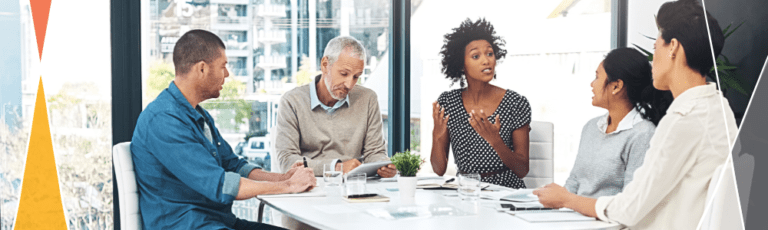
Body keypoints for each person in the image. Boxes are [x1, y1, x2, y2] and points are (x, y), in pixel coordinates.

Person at [533, 1, 738, 229]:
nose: (653, 56)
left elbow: (629, 209)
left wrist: (568, 200)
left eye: (656, 45)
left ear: (673, 47)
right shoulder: (718, 108)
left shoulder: (684, 118)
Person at [131, 29, 316, 230]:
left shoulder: (197, 115)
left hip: (217, 221)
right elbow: (220, 185)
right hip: (187, 225)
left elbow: (234, 165)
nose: (227, 74)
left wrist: (283, 178)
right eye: (223, 66)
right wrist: (288, 187)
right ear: (202, 69)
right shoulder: (164, 120)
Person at [275, 35, 397, 177]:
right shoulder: (292, 101)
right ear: (325, 65)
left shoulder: (368, 99)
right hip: (310, 187)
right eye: (344, 73)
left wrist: (383, 165)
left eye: (356, 76)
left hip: (354, 187)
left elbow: (375, 153)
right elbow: (287, 161)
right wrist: (336, 167)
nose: (349, 84)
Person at [431, 18, 531, 188]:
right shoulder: (448, 102)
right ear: (461, 65)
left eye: (490, 53)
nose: (486, 61)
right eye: (476, 56)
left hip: (504, 190)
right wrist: (437, 134)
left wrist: (495, 141)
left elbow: (522, 170)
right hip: (465, 190)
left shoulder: (515, 103)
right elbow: (439, 169)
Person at [564, 48, 673, 198]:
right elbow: (574, 180)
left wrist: (571, 203)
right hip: (575, 215)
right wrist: (557, 204)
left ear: (616, 86)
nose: (591, 84)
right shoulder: (591, 127)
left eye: (597, 77)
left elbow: (630, 199)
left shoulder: (643, 133)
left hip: (607, 219)